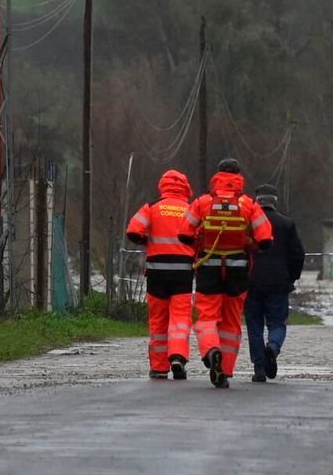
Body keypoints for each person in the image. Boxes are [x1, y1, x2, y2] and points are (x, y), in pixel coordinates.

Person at [185, 159, 273, 389]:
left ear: (218, 175)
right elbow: (266, 240)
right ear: (239, 177)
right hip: (237, 271)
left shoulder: (204, 202)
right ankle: (224, 370)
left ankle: (211, 350)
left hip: (208, 267)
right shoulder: (248, 204)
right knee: (232, 322)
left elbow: (184, 233)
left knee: (207, 317)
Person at [126, 169, 196, 379]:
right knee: (180, 317)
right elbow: (200, 237)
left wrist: (147, 241)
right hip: (183, 272)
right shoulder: (190, 209)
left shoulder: (152, 207)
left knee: (158, 320)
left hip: (156, 272)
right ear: (185, 187)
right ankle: (177, 356)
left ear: (162, 186)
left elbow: (133, 231)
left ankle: (158, 367)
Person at [244, 184, 305, 383]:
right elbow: (298, 253)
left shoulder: (248, 224)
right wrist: (292, 276)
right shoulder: (287, 224)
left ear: (256, 201)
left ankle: (259, 369)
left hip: (251, 281)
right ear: (275, 202)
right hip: (279, 282)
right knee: (277, 323)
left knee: (254, 326)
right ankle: (273, 346)